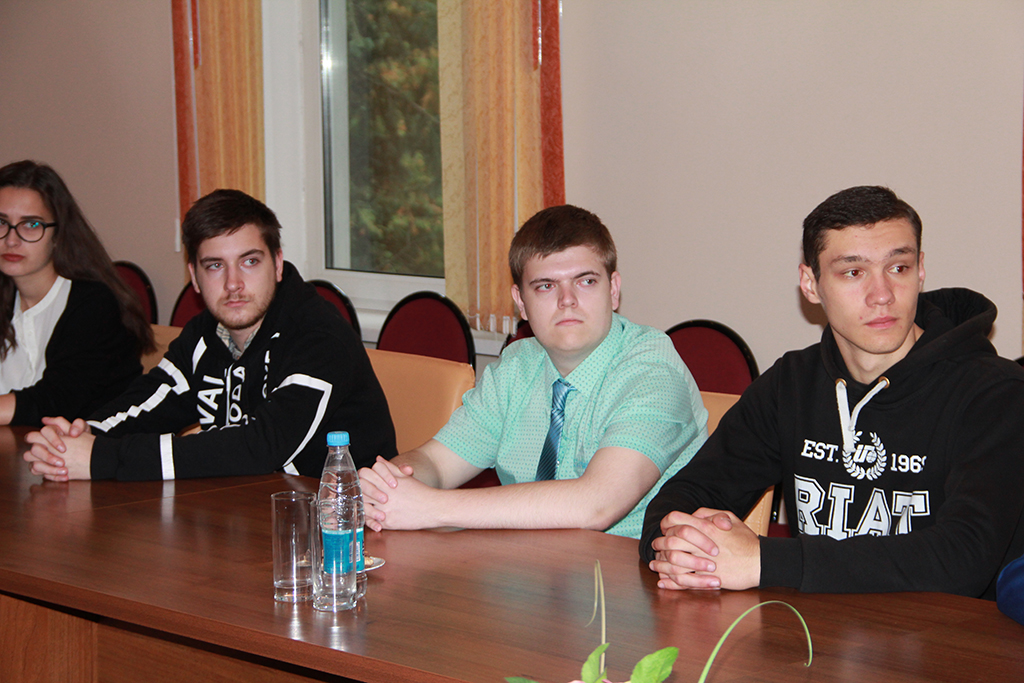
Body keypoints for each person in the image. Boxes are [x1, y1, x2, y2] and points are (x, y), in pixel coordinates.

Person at [641, 185, 1024, 598]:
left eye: (899, 267)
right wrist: (679, 547)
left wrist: (765, 561)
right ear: (810, 283)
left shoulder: (995, 394)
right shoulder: (791, 384)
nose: (882, 295)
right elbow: (686, 495)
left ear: (921, 271)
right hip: (816, 629)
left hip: (954, 634)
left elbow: (964, 558)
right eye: (853, 272)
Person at [359, 204, 707, 539]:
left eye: (585, 281)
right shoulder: (516, 366)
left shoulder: (654, 374)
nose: (567, 300)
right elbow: (435, 463)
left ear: (613, 290)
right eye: (546, 286)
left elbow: (597, 504)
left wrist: (431, 507)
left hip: (631, 572)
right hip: (526, 566)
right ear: (521, 302)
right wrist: (389, 487)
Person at [24, 189, 397, 480]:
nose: (234, 283)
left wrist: (101, 458)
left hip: (347, 527)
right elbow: (149, 402)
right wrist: (79, 436)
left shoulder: (320, 336)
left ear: (278, 263)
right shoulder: (205, 335)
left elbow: (261, 448)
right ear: (195, 277)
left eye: (250, 262)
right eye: (215, 266)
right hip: (245, 512)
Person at [0, 160, 153, 427]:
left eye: (31, 225)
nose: (11, 239)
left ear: (58, 234)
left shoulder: (96, 304)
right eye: (1, 222)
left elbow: (53, 403)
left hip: (93, 449)